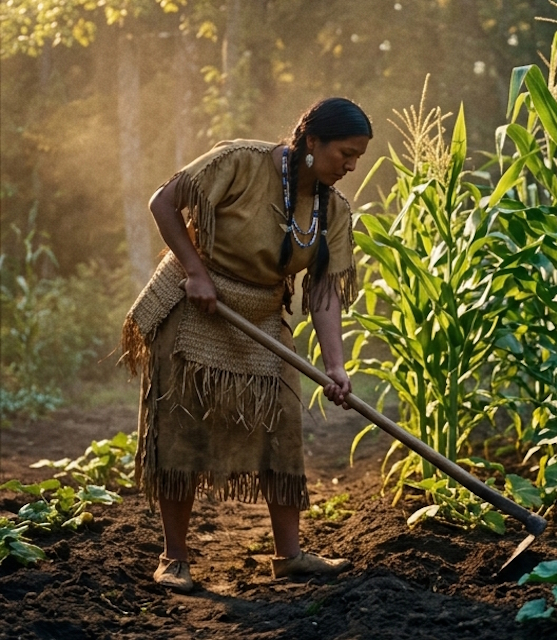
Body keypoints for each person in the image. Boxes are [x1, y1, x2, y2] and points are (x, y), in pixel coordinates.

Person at [120, 97, 372, 592]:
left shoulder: (332, 209)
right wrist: (195, 271)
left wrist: (337, 367)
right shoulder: (239, 161)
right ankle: (174, 557)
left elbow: (322, 294)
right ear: (312, 141)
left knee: (282, 426)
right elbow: (163, 203)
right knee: (181, 427)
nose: (350, 166)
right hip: (195, 306)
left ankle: (290, 555)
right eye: (345, 153)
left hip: (260, 318)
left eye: (358, 157)